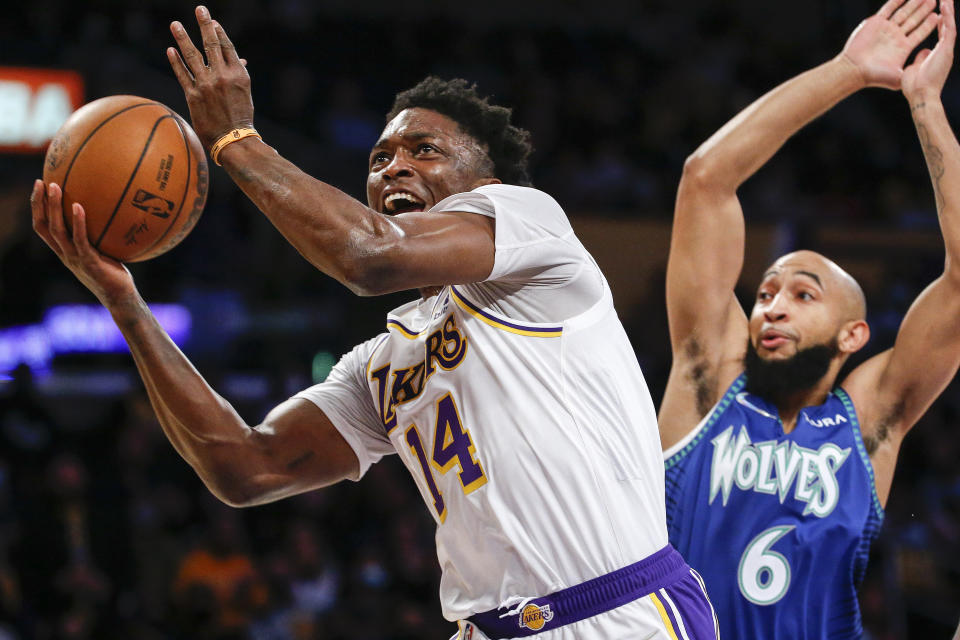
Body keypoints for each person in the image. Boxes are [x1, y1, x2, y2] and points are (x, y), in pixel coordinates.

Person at [30, 6, 719, 639]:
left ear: (484, 183)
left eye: (424, 151)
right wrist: (123, 300)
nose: (395, 167)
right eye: (380, 158)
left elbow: (367, 255)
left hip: (616, 615)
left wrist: (237, 142)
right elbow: (245, 466)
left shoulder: (531, 227)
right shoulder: (382, 364)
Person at [659, 0, 959, 637]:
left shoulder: (869, 421)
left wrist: (926, 104)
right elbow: (705, 180)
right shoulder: (710, 378)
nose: (772, 305)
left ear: (854, 334)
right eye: (766, 292)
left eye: (803, 294)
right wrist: (848, 70)